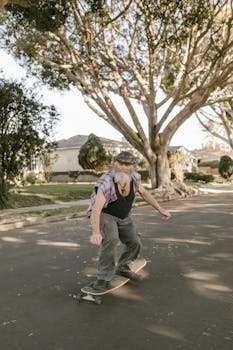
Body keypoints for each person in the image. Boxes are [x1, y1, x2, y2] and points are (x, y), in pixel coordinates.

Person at [87, 151, 171, 292]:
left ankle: (123, 267)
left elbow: (145, 194)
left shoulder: (135, 178)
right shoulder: (106, 181)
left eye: (127, 164)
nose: (124, 167)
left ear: (132, 166)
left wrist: (160, 209)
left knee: (135, 242)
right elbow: (96, 209)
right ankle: (103, 278)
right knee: (111, 240)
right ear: (116, 164)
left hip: (124, 216)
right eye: (121, 164)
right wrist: (95, 232)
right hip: (106, 215)